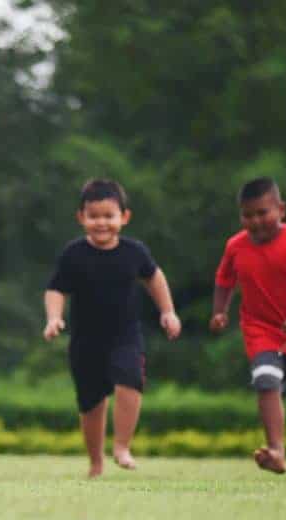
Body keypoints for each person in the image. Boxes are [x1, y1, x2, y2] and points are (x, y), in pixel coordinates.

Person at [43, 179, 182, 479]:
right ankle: (96, 463)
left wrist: (168, 312)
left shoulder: (135, 252)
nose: (101, 223)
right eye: (94, 216)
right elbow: (56, 289)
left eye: (109, 216)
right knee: (91, 404)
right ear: (81, 217)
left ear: (124, 217)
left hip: (125, 337)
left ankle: (121, 446)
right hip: (85, 341)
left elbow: (155, 279)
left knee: (130, 382)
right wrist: (54, 318)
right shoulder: (73, 254)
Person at [209, 177, 286, 477]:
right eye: (247, 215)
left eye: (263, 213)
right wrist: (220, 312)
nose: (255, 221)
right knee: (265, 379)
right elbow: (224, 281)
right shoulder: (235, 246)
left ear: (282, 210)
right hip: (259, 327)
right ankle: (276, 450)